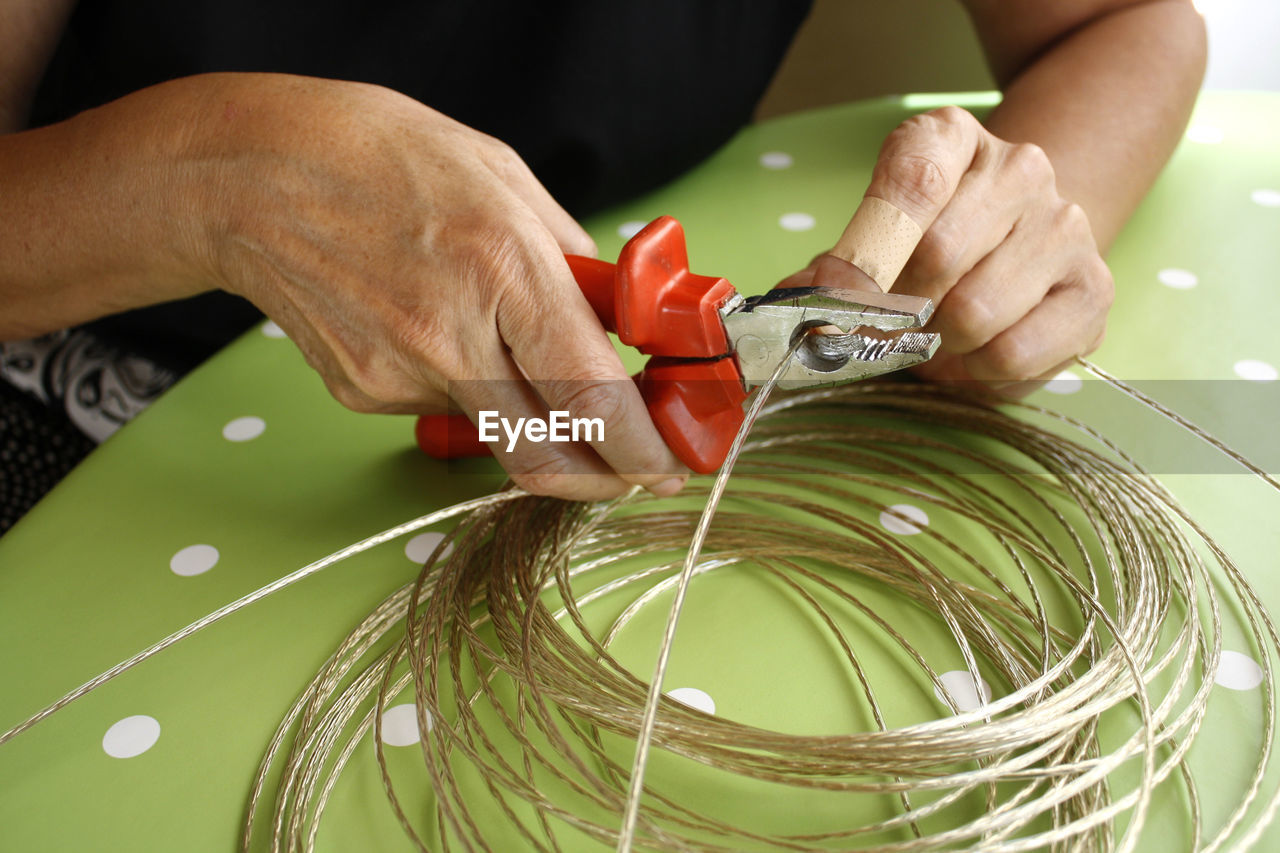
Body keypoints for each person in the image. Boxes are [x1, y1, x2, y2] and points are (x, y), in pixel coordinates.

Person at [0, 0, 1207, 529]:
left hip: (526, 437)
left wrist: (1006, 246)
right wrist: (218, 184)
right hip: (73, 398)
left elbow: (1121, 18)